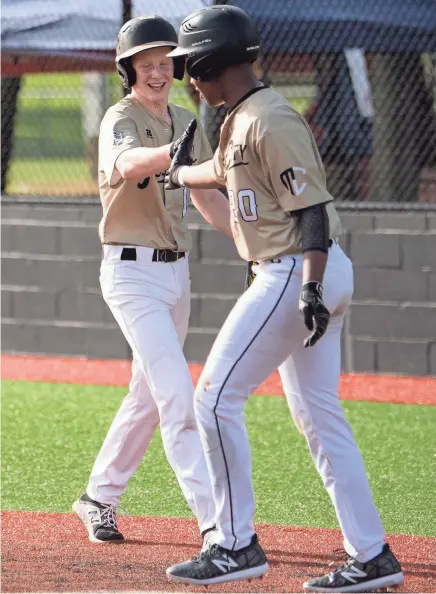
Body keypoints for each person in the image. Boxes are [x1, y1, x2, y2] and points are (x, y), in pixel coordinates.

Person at [163, 5, 404, 592]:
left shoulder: (270, 119)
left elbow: (313, 209)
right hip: (302, 270)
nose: (188, 76)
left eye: (192, 64)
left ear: (215, 60)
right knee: (320, 418)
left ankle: (234, 544)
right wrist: (178, 175)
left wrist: (311, 288)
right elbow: (220, 171)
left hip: (297, 270)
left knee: (214, 400)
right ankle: (372, 554)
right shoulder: (242, 118)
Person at [73, 15, 232, 548]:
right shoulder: (120, 116)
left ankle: (98, 497)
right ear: (129, 71)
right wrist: (170, 154)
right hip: (130, 273)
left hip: (175, 274)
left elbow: (208, 195)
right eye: (147, 65)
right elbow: (125, 164)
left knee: (147, 396)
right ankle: (217, 524)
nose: (159, 72)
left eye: (166, 62)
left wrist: (255, 243)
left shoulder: (186, 116)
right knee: (176, 395)